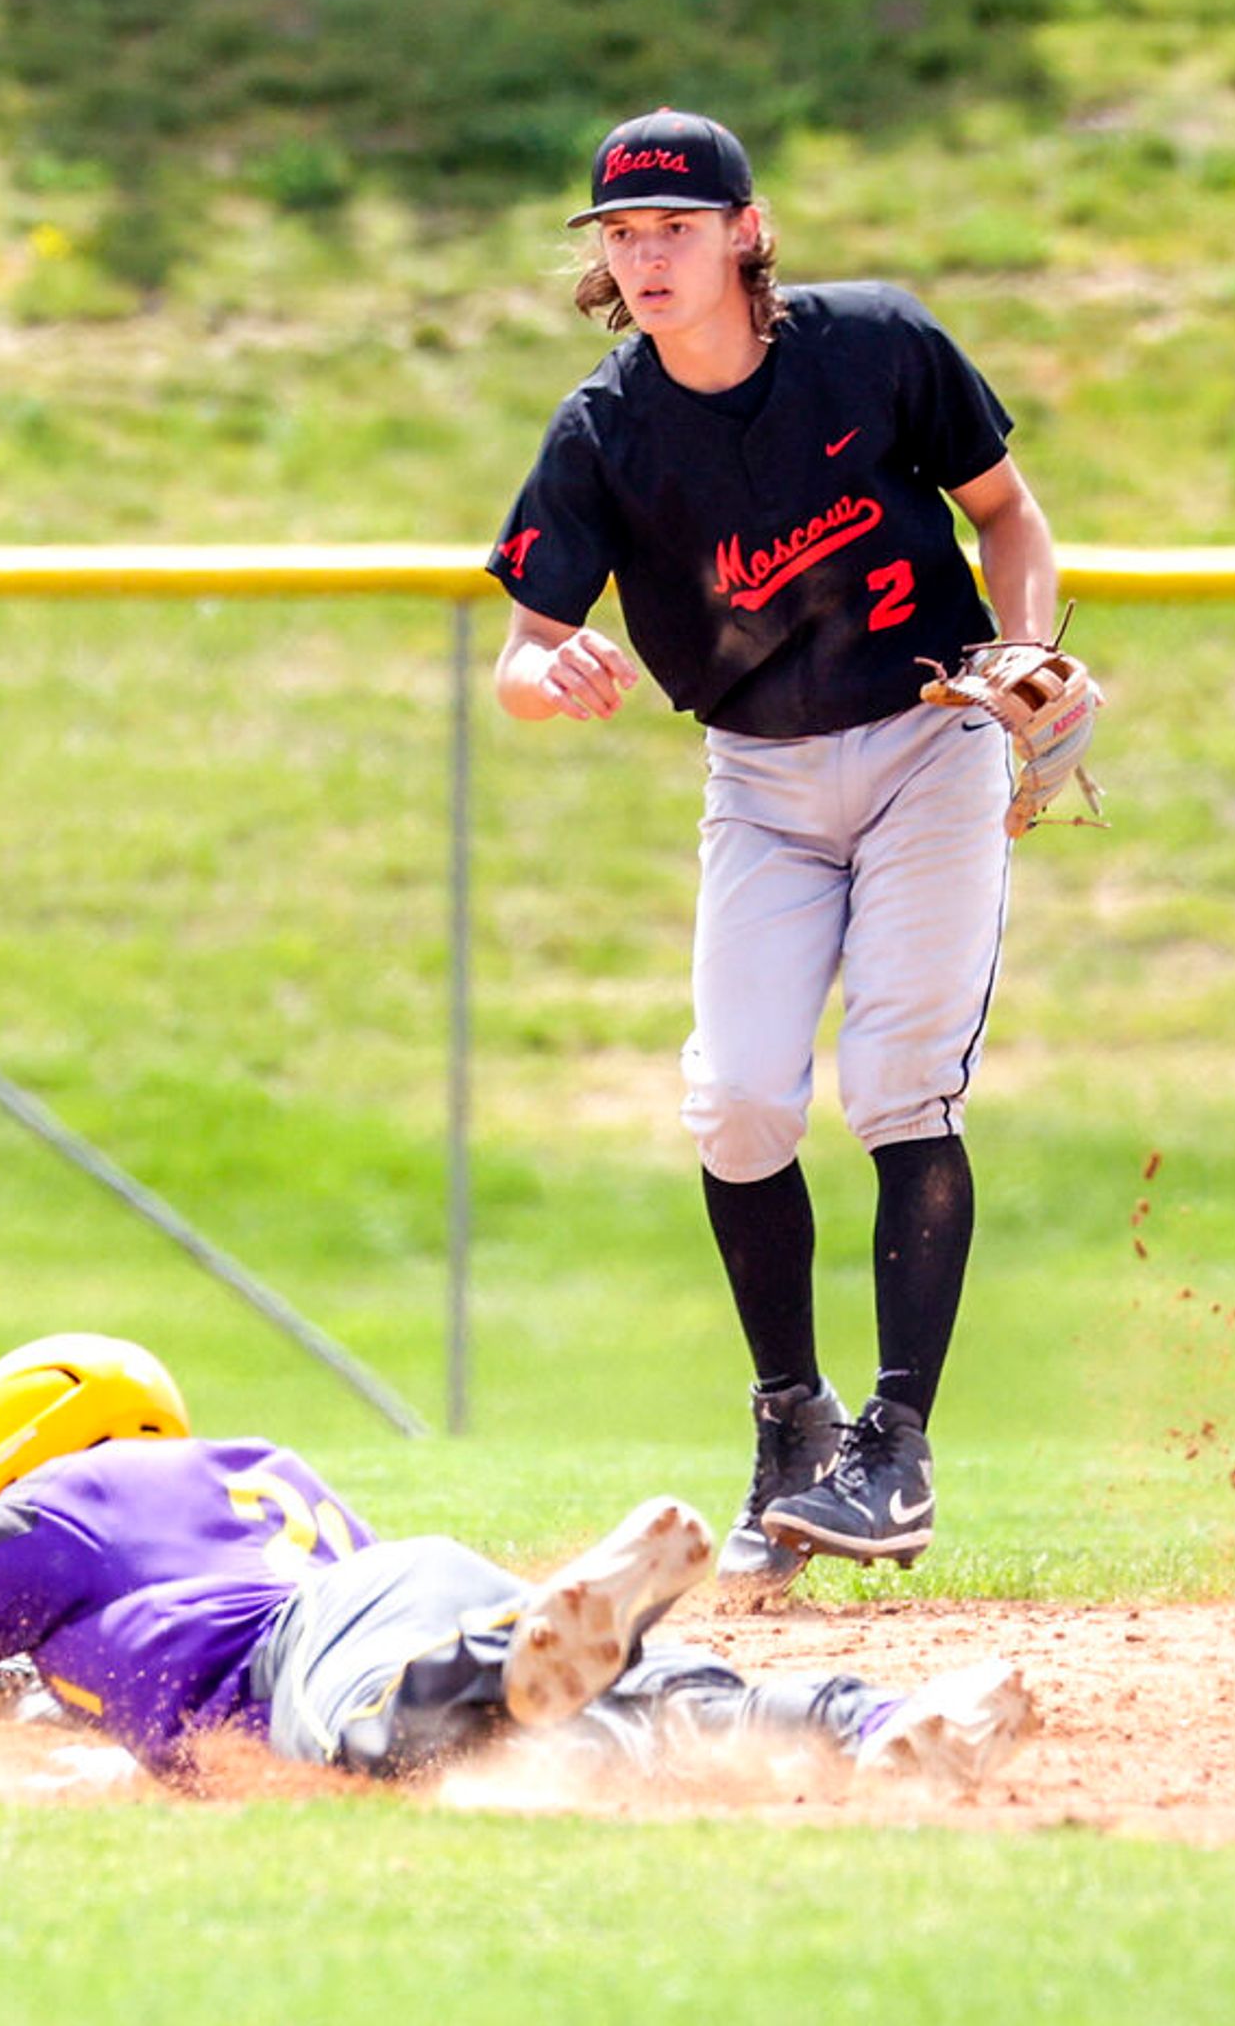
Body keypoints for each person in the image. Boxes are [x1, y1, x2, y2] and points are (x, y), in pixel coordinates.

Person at [484, 109, 1078, 1588]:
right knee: (740, 1099)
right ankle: (791, 1421)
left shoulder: (875, 346)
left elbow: (1006, 512)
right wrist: (540, 673)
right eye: (623, 234)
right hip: (757, 774)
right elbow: (520, 644)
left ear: (749, 230)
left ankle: (896, 1442)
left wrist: (1024, 646)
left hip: (928, 738)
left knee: (893, 1078)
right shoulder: (606, 427)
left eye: (676, 226)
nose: (646, 256)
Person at [0, 1334, 1036, 1792]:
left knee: (378, 1742)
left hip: (319, 1647)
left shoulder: (63, 1503)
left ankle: (517, 1655)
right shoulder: (245, 1469)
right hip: (408, 1582)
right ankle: (881, 1718)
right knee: (648, 1700)